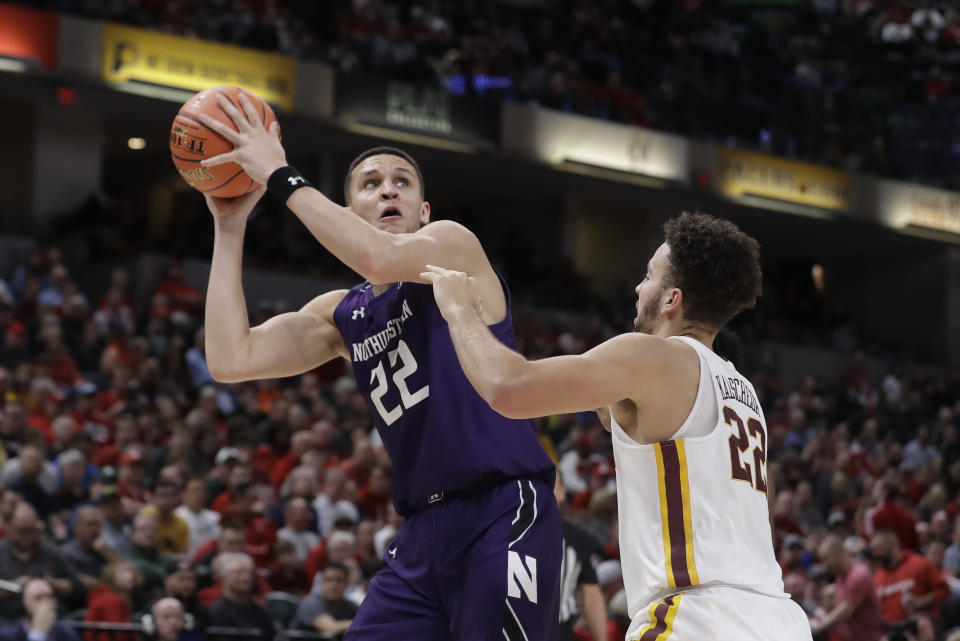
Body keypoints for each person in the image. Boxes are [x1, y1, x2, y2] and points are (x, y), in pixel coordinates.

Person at [198, 95, 561, 640]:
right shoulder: (344, 313)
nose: (388, 189)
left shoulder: (452, 247)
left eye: (401, 182)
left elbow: (381, 259)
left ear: (424, 212)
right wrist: (229, 229)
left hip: (502, 508)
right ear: (348, 216)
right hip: (421, 531)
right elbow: (231, 359)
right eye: (370, 184)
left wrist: (279, 173)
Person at [420, 213, 812, 640]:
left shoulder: (653, 359)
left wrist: (459, 311)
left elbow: (508, 388)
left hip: (699, 617)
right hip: (779, 619)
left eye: (648, 276)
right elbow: (606, 407)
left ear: (671, 300)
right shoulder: (742, 391)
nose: (637, 287)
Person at [554, 471, 607, 641]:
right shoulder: (502, 532)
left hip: (558, 631)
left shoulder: (576, 538)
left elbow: (591, 593)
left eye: (550, 483)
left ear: (562, 493)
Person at [812, 534, 883, 641]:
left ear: (839, 554)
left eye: (826, 559)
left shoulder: (858, 575)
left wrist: (816, 629)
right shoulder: (840, 576)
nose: (824, 566)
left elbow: (846, 610)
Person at [870, 529, 949, 625]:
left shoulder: (919, 563)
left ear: (892, 545)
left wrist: (920, 602)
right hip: (889, 630)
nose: (875, 554)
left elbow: (944, 590)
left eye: (878, 549)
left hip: (918, 626)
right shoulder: (877, 576)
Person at [206, 553, 274, 641]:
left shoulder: (262, 611)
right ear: (224, 577)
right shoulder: (215, 612)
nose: (246, 578)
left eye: (249, 573)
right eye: (239, 573)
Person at [293, 562, 359, 640]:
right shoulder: (310, 603)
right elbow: (332, 628)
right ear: (321, 583)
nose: (333, 586)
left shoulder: (351, 607)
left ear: (347, 584)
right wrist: (361, 623)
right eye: (328, 580)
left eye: (339, 580)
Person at [0, 578, 81, 641]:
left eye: (49, 596)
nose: (45, 603)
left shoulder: (67, 634)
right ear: (24, 603)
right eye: (38, 598)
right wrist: (38, 635)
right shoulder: (8, 636)